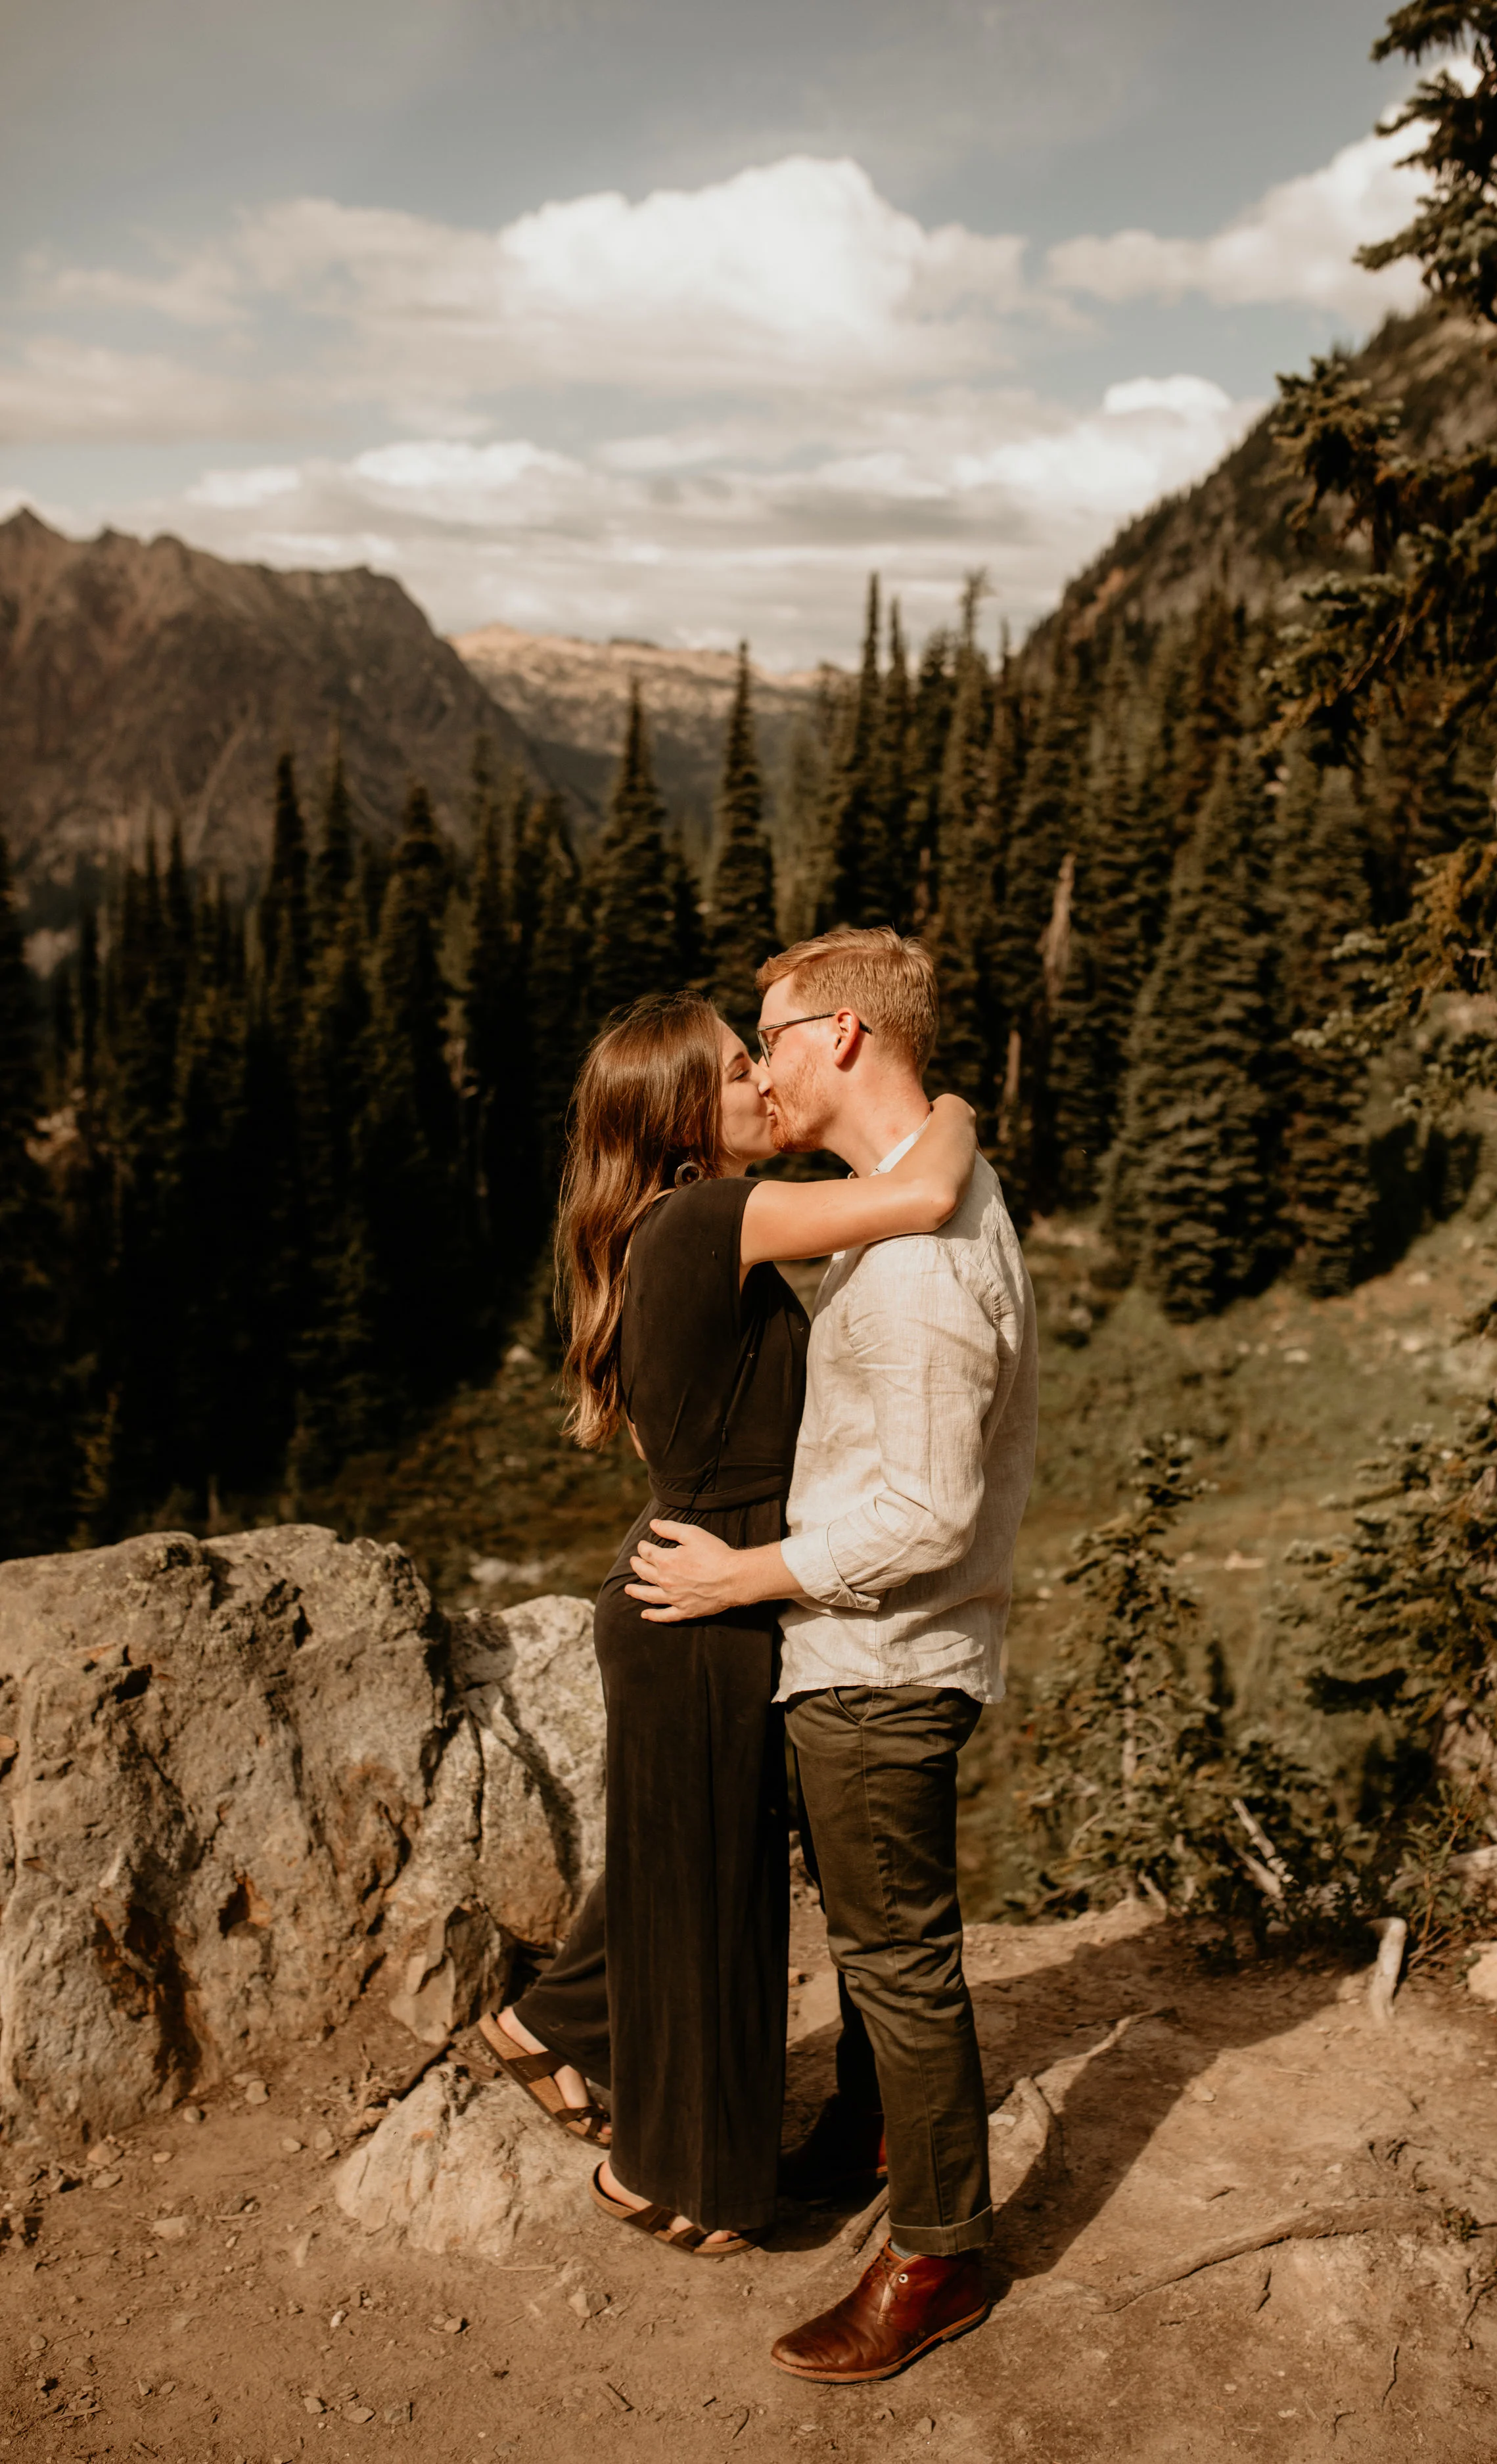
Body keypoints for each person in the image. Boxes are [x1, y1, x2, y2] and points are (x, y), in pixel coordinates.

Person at [478, 988, 978, 2257]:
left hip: (692, 1588)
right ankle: (675, 2180)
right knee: (713, 1898)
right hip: (702, 1610)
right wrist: (953, 1103)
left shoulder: (662, 1231)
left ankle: (599, 2075)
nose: (764, 1077)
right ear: (683, 1113)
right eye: (736, 1063)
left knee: (691, 1872)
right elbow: (923, 1197)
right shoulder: (709, 1214)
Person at [627, 928, 1039, 2375]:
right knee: (887, 1948)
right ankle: (871, 2134)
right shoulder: (913, 1196)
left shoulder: (919, 1260)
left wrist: (747, 1570)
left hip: (878, 1658)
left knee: (900, 1959)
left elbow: (922, 1513)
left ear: (847, 1037)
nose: (760, 1064)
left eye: (773, 1033)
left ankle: (938, 2256)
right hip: (885, 1652)